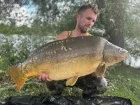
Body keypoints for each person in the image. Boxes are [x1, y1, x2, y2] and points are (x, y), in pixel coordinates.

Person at [39, 3, 107, 97]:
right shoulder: (63, 36)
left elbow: (95, 72)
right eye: (88, 18)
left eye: (93, 21)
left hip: (82, 76)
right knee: (51, 81)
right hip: (63, 74)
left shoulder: (93, 42)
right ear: (78, 17)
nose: (90, 23)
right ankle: (56, 97)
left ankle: (87, 100)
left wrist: (100, 67)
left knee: (101, 84)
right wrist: (45, 74)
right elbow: (53, 59)